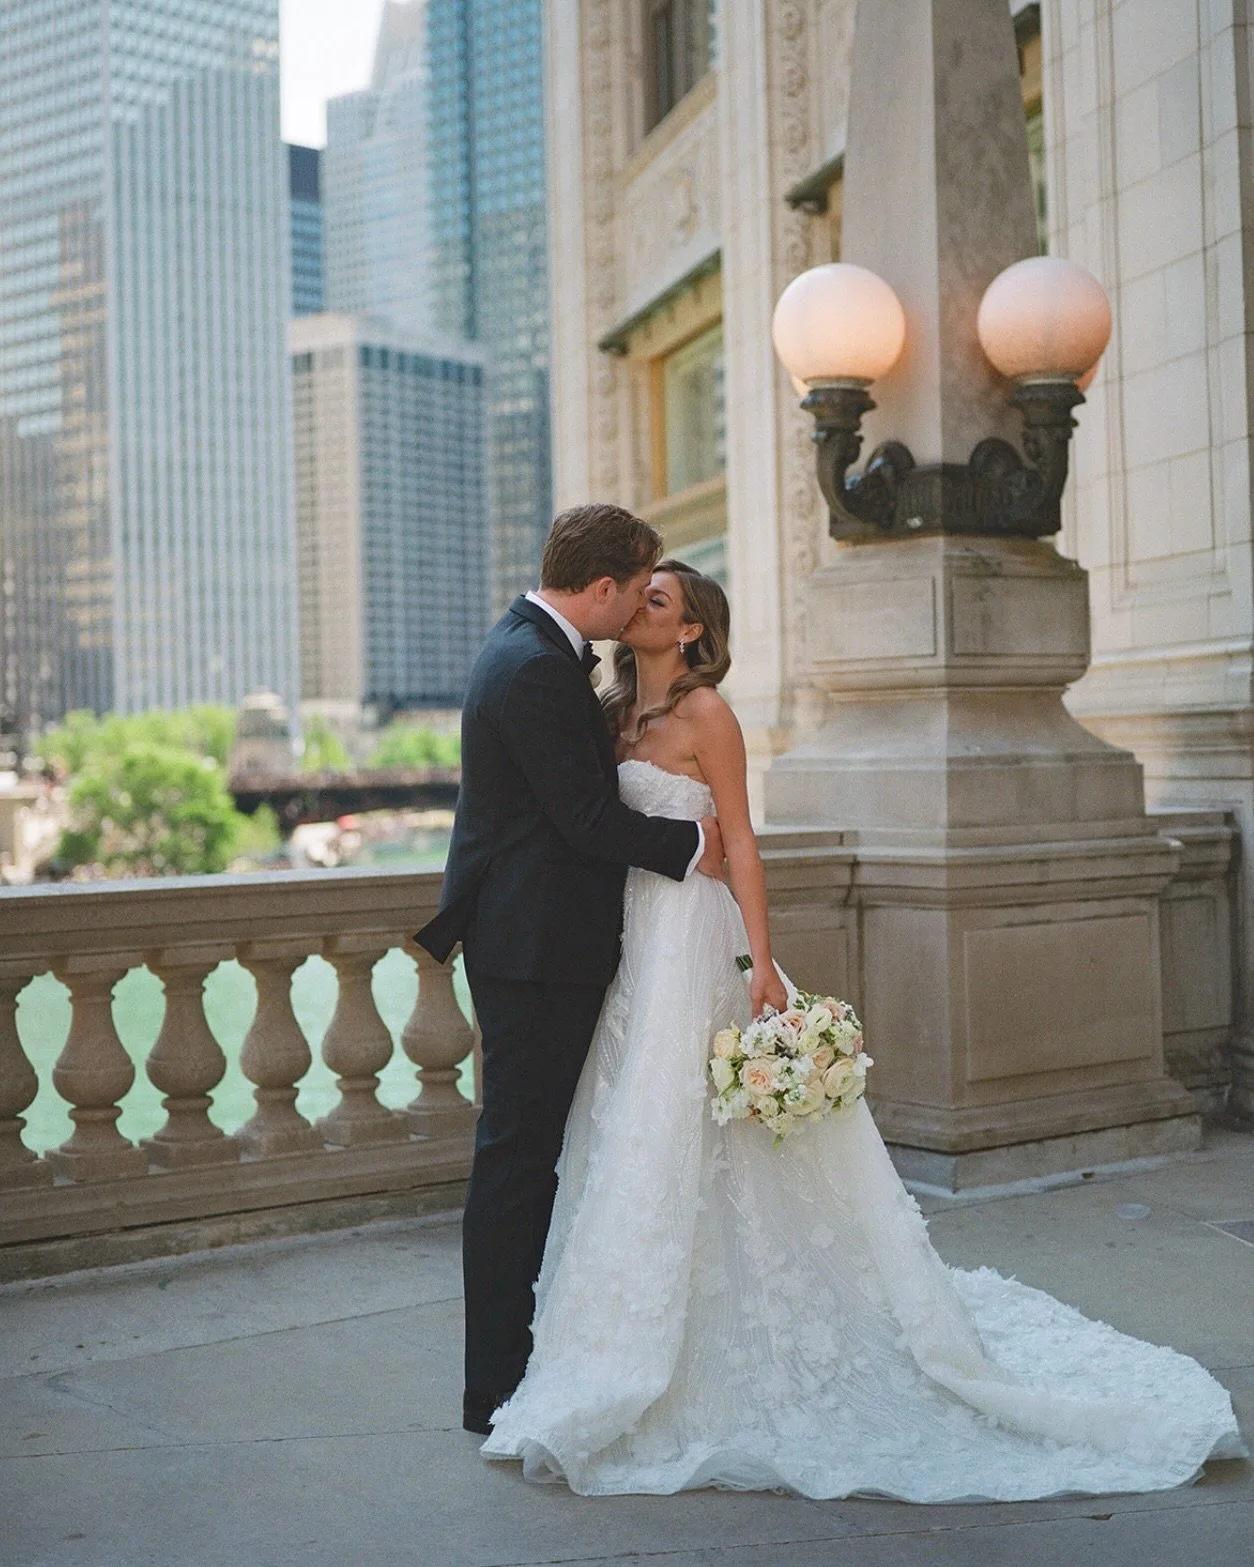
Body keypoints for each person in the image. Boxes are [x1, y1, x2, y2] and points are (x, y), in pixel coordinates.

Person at [479, 559, 1245, 1499]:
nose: (642, 602)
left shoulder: (709, 715)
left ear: (690, 632)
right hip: (627, 948)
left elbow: (744, 841)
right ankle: (613, 1341)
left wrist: (762, 963)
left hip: (695, 942)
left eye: (662, 598)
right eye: (640, 592)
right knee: (626, 1135)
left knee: (695, 1130)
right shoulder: (608, 716)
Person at [416, 506, 727, 1438]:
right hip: (537, 952)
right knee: (519, 1162)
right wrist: (696, 840)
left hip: (537, 943)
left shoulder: (527, 650)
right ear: (601, 588)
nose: (638, 604)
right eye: (636, 587)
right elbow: (587, 823)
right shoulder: (538, 671)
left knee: (535, 1155)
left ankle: (519, 1367)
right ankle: (496, 1390)